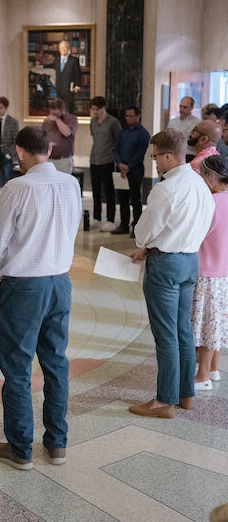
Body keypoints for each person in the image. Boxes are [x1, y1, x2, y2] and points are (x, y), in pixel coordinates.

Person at [0, 127, 81, 471]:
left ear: (20, 152)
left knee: (17, 366)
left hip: (24, 284)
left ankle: (21, 448)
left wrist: (3, 273)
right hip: (60, 282)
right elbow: (73, 229)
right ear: (51, 148)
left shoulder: (17, 187)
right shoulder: (71, 184)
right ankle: (57, 444)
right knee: (56, 362)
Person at [129, 128, 215, 419]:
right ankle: (185, 395)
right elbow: (202, 223)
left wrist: (147, 245)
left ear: (168, 156)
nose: (154, 162)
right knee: (183, 331)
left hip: (165, 266)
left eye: (155, 157)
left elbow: (143, 233)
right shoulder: (201, 184)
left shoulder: (164, 189)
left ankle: (164, 401)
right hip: (190, 261)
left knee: (165, 335)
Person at [190, 155, 228, 390]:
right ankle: (213, 368)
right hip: (224, 273)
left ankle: (202, 376)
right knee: (218, 322)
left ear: (212, 177)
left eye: (202, 175)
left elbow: (196, 237)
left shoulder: (213, 204)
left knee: (205, 325)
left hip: (207, 272)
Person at [111, 106, 150, 236]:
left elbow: (140, 154)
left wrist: (128, 166)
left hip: (135, 170)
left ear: (138, 116)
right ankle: (123, 224)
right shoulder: (122, 131)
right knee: (122, 199)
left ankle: (136, 227)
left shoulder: (143, 133)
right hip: (121, 169)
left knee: (135, 200)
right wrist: (120, 164)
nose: (128, 118)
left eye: (131, 116)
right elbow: (115, 149)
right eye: (126, 116)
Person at [89, 96, 121, 231]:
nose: (95, 112)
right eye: (93, 109)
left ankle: (110, 219)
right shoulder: (93, 122)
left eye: (97, 109)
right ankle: (96, 217)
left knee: (108, 192)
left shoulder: (113, 122)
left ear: (103, 108)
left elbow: (118, 140)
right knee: (95, 191)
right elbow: (94, 137)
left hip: (107, 160)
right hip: (94, 159)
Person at [42, 97, 78, 174]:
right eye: (52, 113)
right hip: (49, 158)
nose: (53, 115)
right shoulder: (48, 120)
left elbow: (67, 133)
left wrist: (57, 120)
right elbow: (43, 136)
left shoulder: (72, 119)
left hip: (63, 160)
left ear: (63, 110)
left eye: (56, 114)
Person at [167, 96, 199, 161]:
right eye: (180, 106)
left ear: (191, 108)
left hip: (189, 155)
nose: (181, 109)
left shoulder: (197, 123)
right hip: (173, 154)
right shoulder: (172, 121)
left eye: (185, 107)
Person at [53, 41, 81, 114]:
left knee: (69, 109)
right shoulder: (57, 59)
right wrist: (42, 66)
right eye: (61, 48)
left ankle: (69, 123)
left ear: (68, 48)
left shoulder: (74, 60)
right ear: (59, 49)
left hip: (69, 89)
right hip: (59, 88)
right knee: (59, 108)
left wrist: (77, 86)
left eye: (65, 47)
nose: (63, 49)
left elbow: (78, 74)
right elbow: (52, 65)